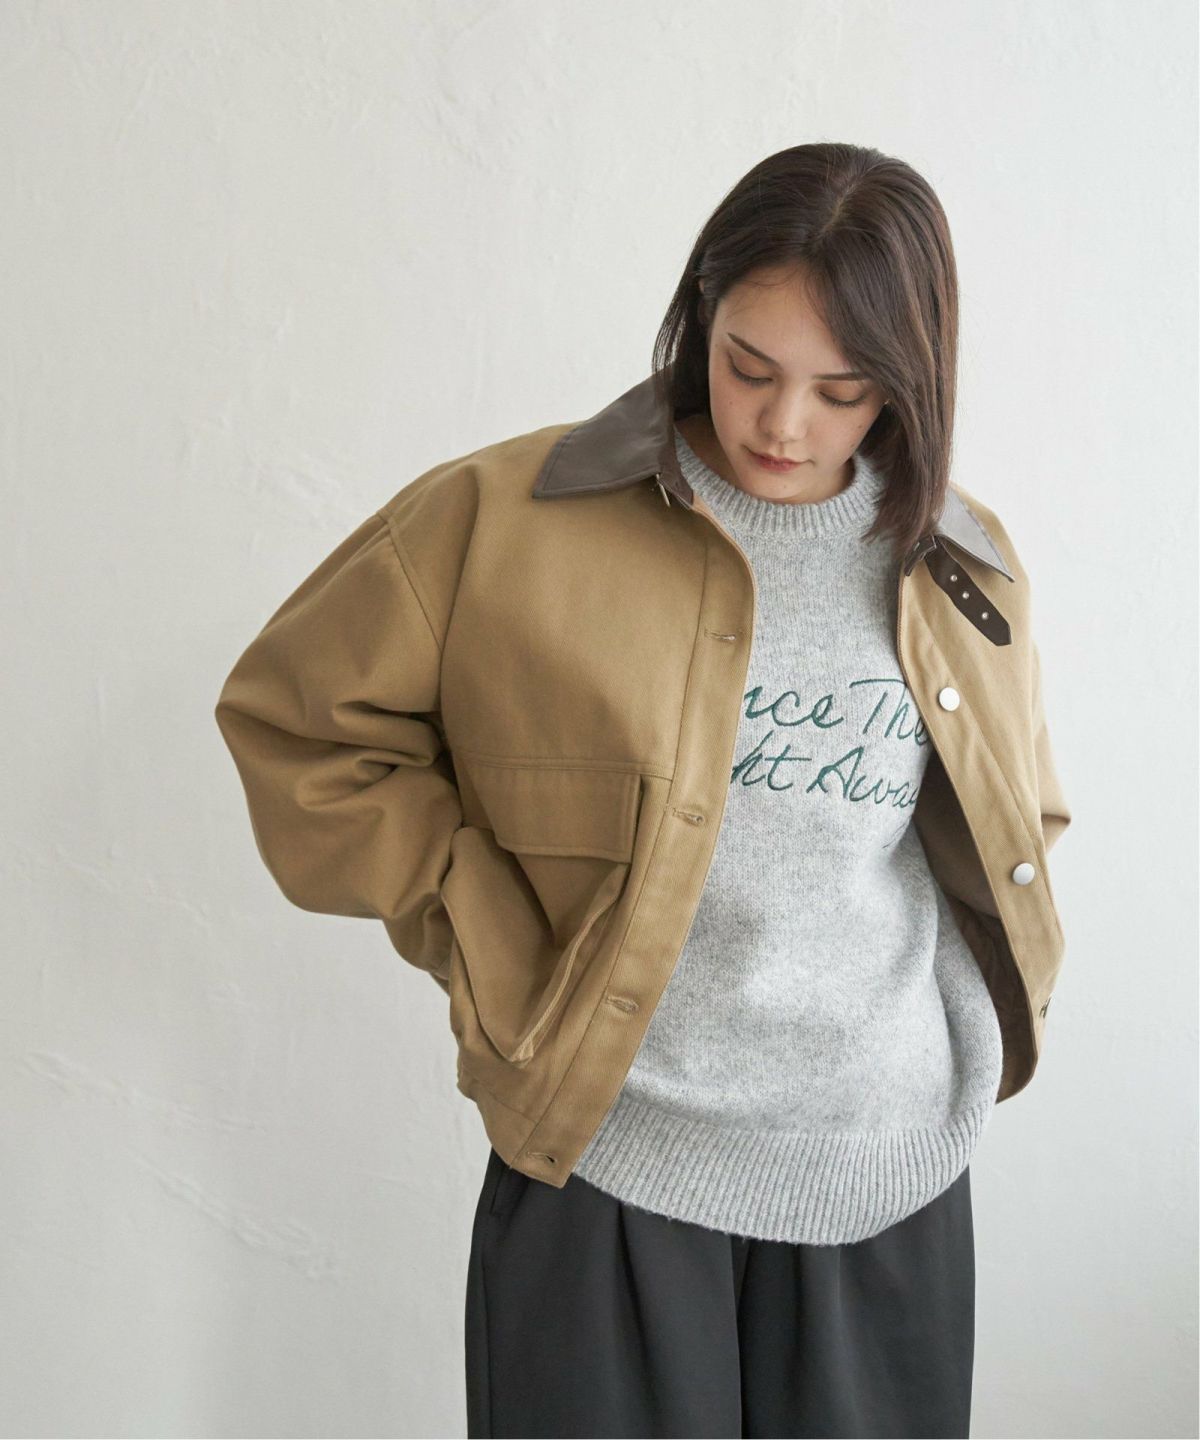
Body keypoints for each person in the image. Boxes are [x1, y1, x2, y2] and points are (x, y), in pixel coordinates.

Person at [215, 142, 1071, 1439]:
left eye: (843, 390)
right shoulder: (510, 518)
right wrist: (483, 925)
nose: (784, 425)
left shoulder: (965, 561)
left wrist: (967, 1016)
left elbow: (1018, 816)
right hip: (610, 1165)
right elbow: (301, 723)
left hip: (886, 1177)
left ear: (908, 382)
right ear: (697, 317)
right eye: (750, 366)